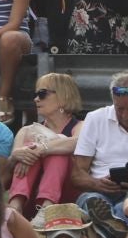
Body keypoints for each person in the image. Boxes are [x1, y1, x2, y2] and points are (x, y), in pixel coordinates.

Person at [69, 71, 128, 238]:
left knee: (127, 206)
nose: (126, 115)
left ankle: (101, 231)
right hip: (99, 192)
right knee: (88, 198)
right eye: (119, 108)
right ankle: (112, 228)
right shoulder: (95, 119)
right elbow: (77, 174)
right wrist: (97, 183)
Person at [6, 72, 83, 218]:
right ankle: (15, 207)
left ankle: (47, 209)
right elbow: (9, 171)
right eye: (35, 94)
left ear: (63, 96)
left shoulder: (81, 126)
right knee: (28, 148)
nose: (36, 99)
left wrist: (42, 149)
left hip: (67, 200)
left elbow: (77, 142)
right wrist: (15, 157)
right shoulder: (26, 131)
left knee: (55, 147)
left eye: (42, 94)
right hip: (31, 199)